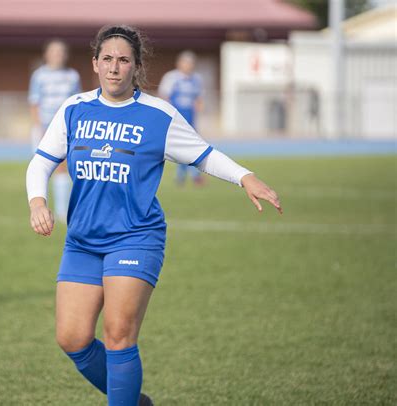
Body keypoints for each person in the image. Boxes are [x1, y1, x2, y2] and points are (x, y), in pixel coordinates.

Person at [26, 25, 282, 406]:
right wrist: (37, 202)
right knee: (72, 338)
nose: (114, 68)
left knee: (118, 334)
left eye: (124, 60)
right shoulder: (74, 108)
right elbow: (41, 163)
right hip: (82, 240)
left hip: (134, 237)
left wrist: (244, 176)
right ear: (95, 63)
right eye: (107, 59)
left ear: (136, 66)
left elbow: (204, 154)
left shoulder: (158, 115)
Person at [28, 38, 81, 222]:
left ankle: (61, 210)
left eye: (61, 52)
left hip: (65, 128)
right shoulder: (39, 76)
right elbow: (34, 102)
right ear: (46, 54)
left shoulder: (73, 76)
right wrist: (40, 127)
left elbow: (77, 104)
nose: (58, 55)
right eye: (54, 51)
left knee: (62, 168)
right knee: (41, 166)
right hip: (44, 127)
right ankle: (41, 209)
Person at [158, 50, 205, 185]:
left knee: (192, 146)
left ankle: (185, 175)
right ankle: (190, 175)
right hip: (176, 118)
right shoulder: (171, 77)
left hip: (191, 118)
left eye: (191, 63)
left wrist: (199, 109)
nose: (188, 65)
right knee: (182, 147)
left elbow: (199, 98)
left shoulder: (196, 79)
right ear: (179, 63)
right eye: (186, 62)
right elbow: (164, 96)